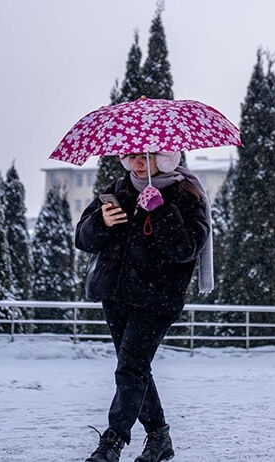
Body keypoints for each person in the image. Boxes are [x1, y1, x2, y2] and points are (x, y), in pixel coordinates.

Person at [77, 151, 211, 462]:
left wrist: (162, 211)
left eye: (148, 156)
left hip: (157, 300)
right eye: (132, 156)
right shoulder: (118, 189)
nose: (138, 162)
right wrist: (101, 221)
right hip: (115, 295)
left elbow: (186, 249)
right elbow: (82, 238)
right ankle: (159, 437)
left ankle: (112, 442)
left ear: (165, 160)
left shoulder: (186, 194)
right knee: (136, 370)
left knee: (130, 368)